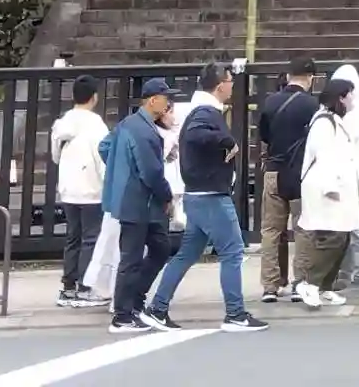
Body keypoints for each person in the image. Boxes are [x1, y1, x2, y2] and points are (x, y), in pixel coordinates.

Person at [144, 63, 267, 332]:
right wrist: (227, 141)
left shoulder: (201, 110)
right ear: (220, 85)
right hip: (211, 196)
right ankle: (235, 313)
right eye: (230, 81)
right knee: (232, 251)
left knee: (187, 254)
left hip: (198, 195)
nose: (232, 86)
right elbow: (198, 135)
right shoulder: (205, 112)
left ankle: (158, 307)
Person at [105, 78, 177, 333]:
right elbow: (151, 172)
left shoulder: (128, 124)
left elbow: (105, 147)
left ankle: (133, 302)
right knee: (133, 258)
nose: (168, 103)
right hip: (140, 202)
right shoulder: (144, 131)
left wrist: (121, 167)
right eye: (165, 98)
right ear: (152, 100)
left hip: (136, 200)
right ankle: (123, 315)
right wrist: (167, 196)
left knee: (158, 248)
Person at [293, 77, 359, 308]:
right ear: (340, 97)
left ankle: (325, 287)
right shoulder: (324, 122)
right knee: (331, 239)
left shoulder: (335, 120)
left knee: (342, 238)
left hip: (339, 189)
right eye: (350, 94)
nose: (353, 99)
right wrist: (331, 187)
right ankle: (310, 284)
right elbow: (323, 156)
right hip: (326, 190)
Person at [255, 58, 318, 303]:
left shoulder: (270, 102)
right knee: (303, 230)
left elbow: (265, 136)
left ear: (289, 76)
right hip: (302, 174)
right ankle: (300, 282)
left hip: (274, 172)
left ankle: (270, 286)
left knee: (271, 231)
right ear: (310, 78)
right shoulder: (313, 105)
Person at [52, 74, 109, 309]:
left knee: (73, 238)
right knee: (91, 239)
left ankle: (68, 287)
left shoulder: (62, 123)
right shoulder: (95, 124)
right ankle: (85, 288)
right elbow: (103, 157)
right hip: (91, 188)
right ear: (94, 97)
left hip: (69, 188)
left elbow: (56, 157)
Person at [329, 64, 359, 298]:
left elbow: (350, 147)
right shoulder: (353, 110)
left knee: (355, 229)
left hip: (355, 176)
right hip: (350, 174)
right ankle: (346, 275)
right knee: (346, 229)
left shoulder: (357, 113)